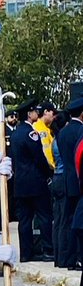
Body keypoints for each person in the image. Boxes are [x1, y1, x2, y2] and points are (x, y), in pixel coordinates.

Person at [9, 100, 54, 261]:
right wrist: (48, 172)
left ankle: (26, 252)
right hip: (35, 181)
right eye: (35, 111)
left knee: (25, 219)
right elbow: (39, 157)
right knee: (44, 216)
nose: (37, 113)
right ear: (29, 114)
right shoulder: (31, 133)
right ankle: (48, 249)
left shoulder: (15, 134)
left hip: (20, 183)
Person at [57, 92, 83, 270]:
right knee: (78, 222)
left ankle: (64, 258)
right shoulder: (80, 131)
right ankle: (77, 257)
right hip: (78, 180)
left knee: (66, 221)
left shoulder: (63, 132)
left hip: (67, 179)